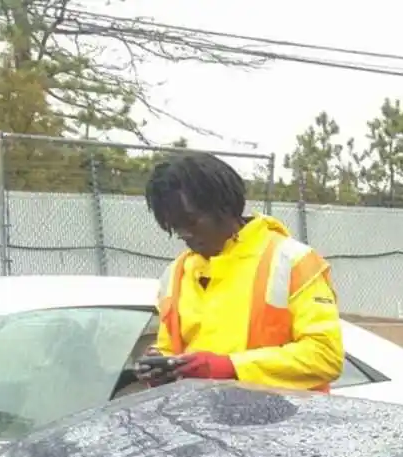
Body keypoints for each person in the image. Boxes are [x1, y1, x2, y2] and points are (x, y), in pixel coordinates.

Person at [143, 151, 344, 392]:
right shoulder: (176, 274)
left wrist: (231, 367)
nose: (184, 234)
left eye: (191, 221)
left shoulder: (291, 261)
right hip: (201, 423)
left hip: (282, 424)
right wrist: (160, 365)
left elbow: (325, 356)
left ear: (225, 207)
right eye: (173, 226)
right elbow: (170, 350)